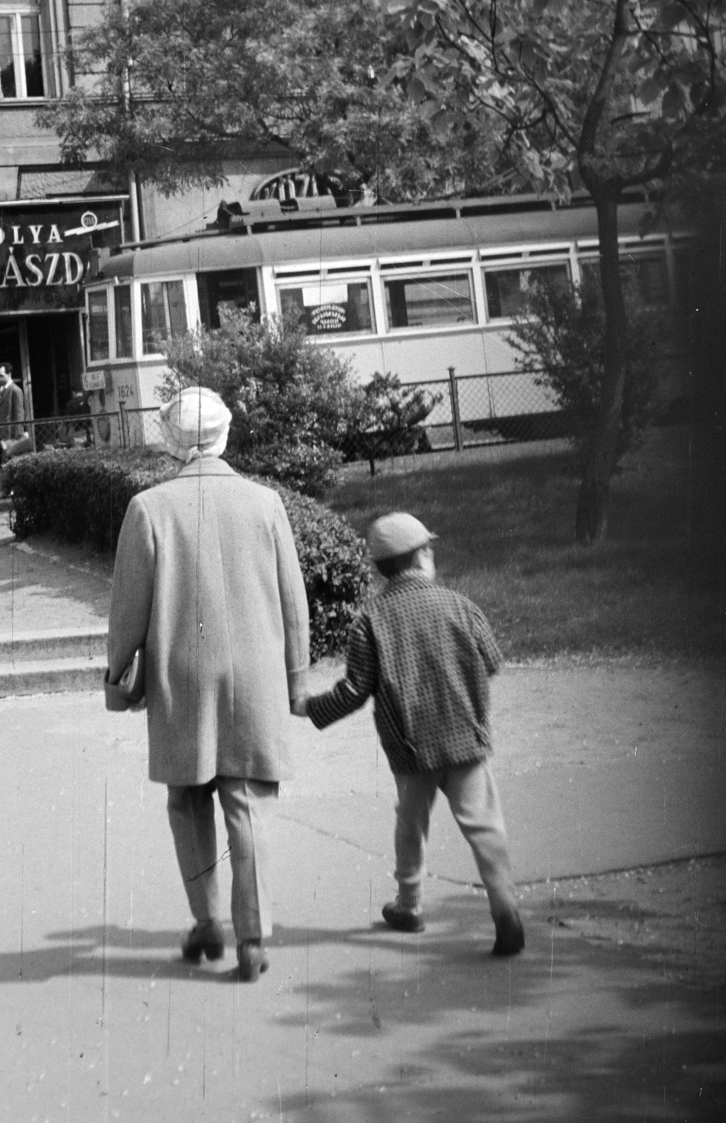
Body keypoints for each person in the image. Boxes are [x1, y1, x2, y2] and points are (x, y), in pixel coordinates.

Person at [107, 386, 310, 983]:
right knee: (248, 806)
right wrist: (296, 680)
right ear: (223, 435)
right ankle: (253, 937)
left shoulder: (148, 508)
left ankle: (207, 921)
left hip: (181, 674)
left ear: (172, 443)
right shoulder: (265, 502)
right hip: (254, 676)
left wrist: (120, 681)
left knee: (187, 801)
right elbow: (293, 601)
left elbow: (128, 609)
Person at [297, 512, 525, 957]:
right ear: (421, 556)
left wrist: (310, 707)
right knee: (484, 827)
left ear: (382, 567)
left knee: (410, 826)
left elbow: (354, 691)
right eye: (429, 549)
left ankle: (410, 905)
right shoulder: (460, 605)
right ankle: (506, 911)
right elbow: (493, 661)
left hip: (412, 748)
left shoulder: (371, 620)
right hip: (466, 740)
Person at [0, 362, 28, 468]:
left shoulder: (15, 390)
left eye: (1, 375)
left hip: (12, 436)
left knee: (14, 465)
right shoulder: (4, 391)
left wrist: (18, 436)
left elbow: (19, 414)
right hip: (4, 436)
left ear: (9, 374)